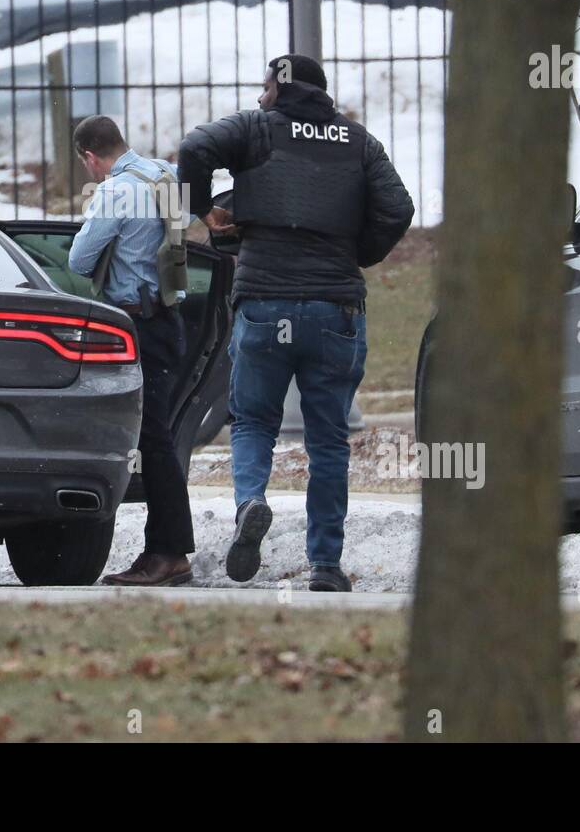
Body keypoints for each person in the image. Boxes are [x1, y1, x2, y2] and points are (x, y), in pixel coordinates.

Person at [178, 55, 414, 591]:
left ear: (279, 90)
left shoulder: (255, 128)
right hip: (334, 309)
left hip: (264, 302)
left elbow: (195, 148)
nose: (261, 96)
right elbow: (398, 208)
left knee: (255, 422)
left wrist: (203, 211)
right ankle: (325, 566)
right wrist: (356, 251)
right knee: (328, 441)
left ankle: (252, 502)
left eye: (265, 87)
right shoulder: (358, 142)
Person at [67, 115, 195, 587]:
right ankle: (163, 549)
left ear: (90, 156)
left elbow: (78, 260)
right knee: (159, 438)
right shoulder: (165, 175)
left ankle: (168, 552)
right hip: (172, 320)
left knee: (152, 442)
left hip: (137, 323)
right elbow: (191, 220)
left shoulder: (115, 191)